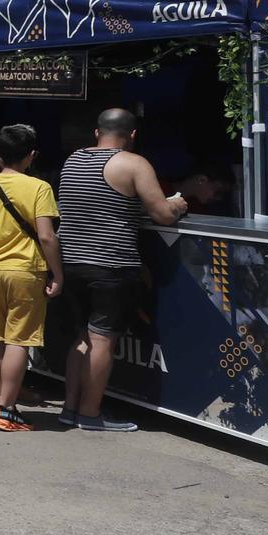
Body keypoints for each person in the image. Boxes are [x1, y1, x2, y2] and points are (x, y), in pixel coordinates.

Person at [57, 108, 187, 432]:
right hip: (110, 265)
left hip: (70, 261)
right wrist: (179, 205)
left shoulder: (73, 159)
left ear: (96, 132)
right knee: (102, 340)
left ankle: (69, 409)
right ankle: (90, 415)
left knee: (82, 338)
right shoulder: (133, 163)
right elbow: (163, 215)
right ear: (132, 136)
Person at [0, 123, 63, 433]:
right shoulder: (39, 188)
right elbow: (47, 236)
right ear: (31, 155)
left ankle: (2, 400)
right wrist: (57, 273)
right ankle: (7, 409)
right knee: (19, 342)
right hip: (25, 273)